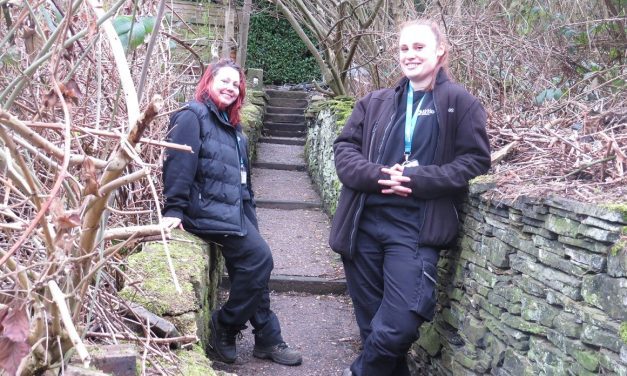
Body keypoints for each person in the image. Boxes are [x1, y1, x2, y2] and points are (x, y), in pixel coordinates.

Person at [330, 20, 491, 376]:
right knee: (373, 326)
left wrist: (418, 179)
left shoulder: (460, 103)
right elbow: (344, 152)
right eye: (404, 49)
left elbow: (475, 160)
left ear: (440, 51)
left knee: (399, 324)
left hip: (415, 229)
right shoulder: (374, 102)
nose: (410, 55)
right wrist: (378, 175)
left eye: (419, 47)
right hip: (364, 224)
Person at [161, 59, 302, 366]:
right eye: (223, 81)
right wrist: (174, 207)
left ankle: (267, 336)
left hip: (236, 209)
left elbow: (238, 175)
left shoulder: (232, 124)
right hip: (206, 210)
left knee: (253, 270)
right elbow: (178, 162)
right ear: (208, 82)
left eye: (235, 83)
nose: (230, 87)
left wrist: (248, 208)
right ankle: (225, 325)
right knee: (260, 260)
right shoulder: (192, 115)